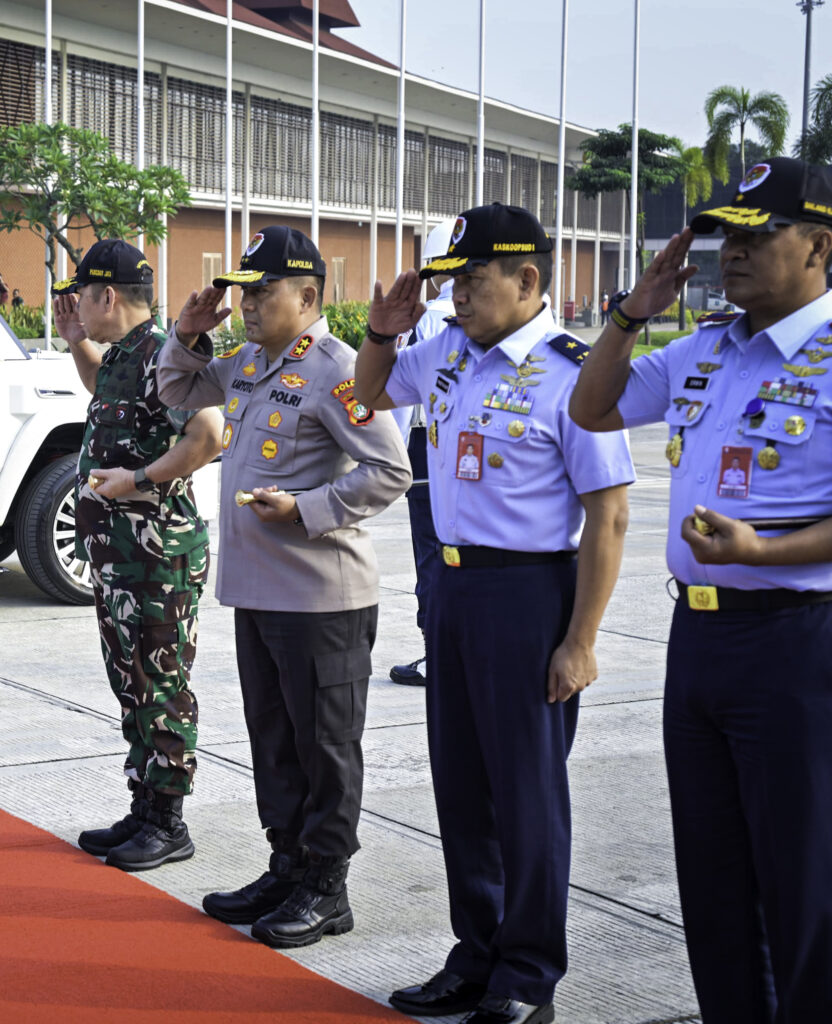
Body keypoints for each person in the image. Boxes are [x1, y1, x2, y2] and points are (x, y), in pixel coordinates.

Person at [355, 203, 633, 1024]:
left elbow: (609, 517)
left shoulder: (573, 371)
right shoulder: (441, 348)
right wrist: (383, 329)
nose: (457, 298)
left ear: (527, 279)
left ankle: (527, 973)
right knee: (464, 789)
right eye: (452, 283)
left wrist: (579, 641)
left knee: (527, 798)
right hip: (452, 588)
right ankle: (476, 953)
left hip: (530, 594)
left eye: (471, 282)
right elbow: (367, 394)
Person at [569, 156, 832, 1024]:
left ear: (820, 245)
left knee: (803, 879)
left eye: (760, 236)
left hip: (801, 639)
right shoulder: (707, 345)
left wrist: (767, 550)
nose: (734, 254)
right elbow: (593, 409)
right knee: (714, 874)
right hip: (702, 640)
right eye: (726, 236)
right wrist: (631, 312)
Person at [159, 225, 411, 948]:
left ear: (307, 294)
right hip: (259, 592)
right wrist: (188, 331)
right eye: (242, 292)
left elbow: (389, 469)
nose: (246, 304)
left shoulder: (337, 368)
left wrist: (306, 509)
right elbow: (176, 386)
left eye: (261, 291)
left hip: (321, 597)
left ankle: (327, 887)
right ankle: (286, 864)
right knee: (275, 742)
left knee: (324, 748)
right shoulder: (245, 363)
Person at [52, 239, 223, 872]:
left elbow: (207, 435)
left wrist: (139, 480)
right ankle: (145, 806)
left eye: (81, 297)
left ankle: (170, 820)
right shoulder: (123, 355)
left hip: (158, 558)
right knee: (131, 682)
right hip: (120, 557)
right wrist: (77, 343)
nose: (74, 305)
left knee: (161, 683)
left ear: (107, 296)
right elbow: (107, 387)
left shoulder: (171, 355)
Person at [392, 218, 461, 687]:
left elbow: (395, 401)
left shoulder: (426, 318)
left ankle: (435, 649)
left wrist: (392, 460)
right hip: (466, 447)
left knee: (431, 554)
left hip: (423, 447)